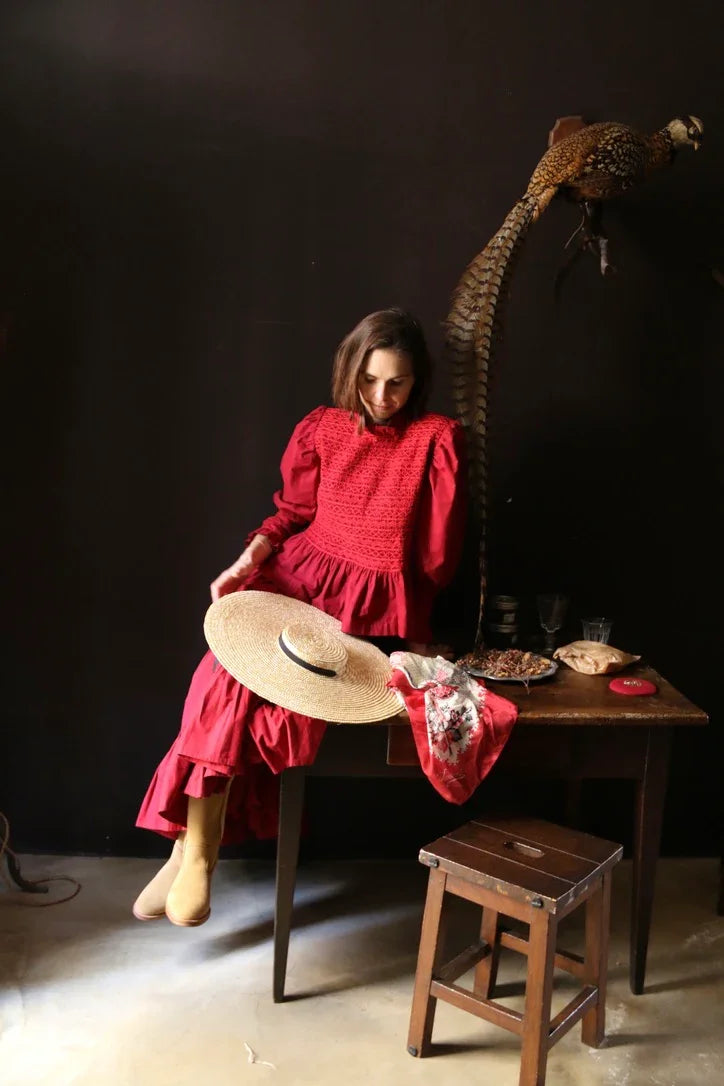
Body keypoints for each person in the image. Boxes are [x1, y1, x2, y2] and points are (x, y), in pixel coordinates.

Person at [133, 307, 467, 927]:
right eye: (369, 380)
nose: (381, 396)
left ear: (417, 380)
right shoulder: (323, 427)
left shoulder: (436, 439)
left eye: (396, 382)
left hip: (364, 610)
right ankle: (195, 854)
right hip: (298, 579)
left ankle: (188, 848)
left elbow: (437, 560)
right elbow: (290, 515)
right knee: (222, 675)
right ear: (351, 372)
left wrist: (413, 624)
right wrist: (246, 558)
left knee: (265, 703)